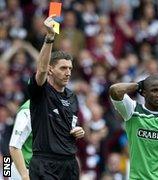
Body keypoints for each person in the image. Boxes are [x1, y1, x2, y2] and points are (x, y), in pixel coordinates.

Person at [27, 15, 85, 179]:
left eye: (70, 69)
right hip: (43, 164)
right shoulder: (40, 93)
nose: (68, 73)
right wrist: (50, 38)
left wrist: (78, 130)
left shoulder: (72, 97)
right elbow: (13, 147)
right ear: (51, 70)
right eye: (63, 68)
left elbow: (70, 124)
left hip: (69, 163)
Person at [9, 100, 31, 180]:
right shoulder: (25, 112)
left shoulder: (9, 124)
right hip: (12, 161)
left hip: (14, 159)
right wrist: (6, 174)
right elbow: (9, 151)